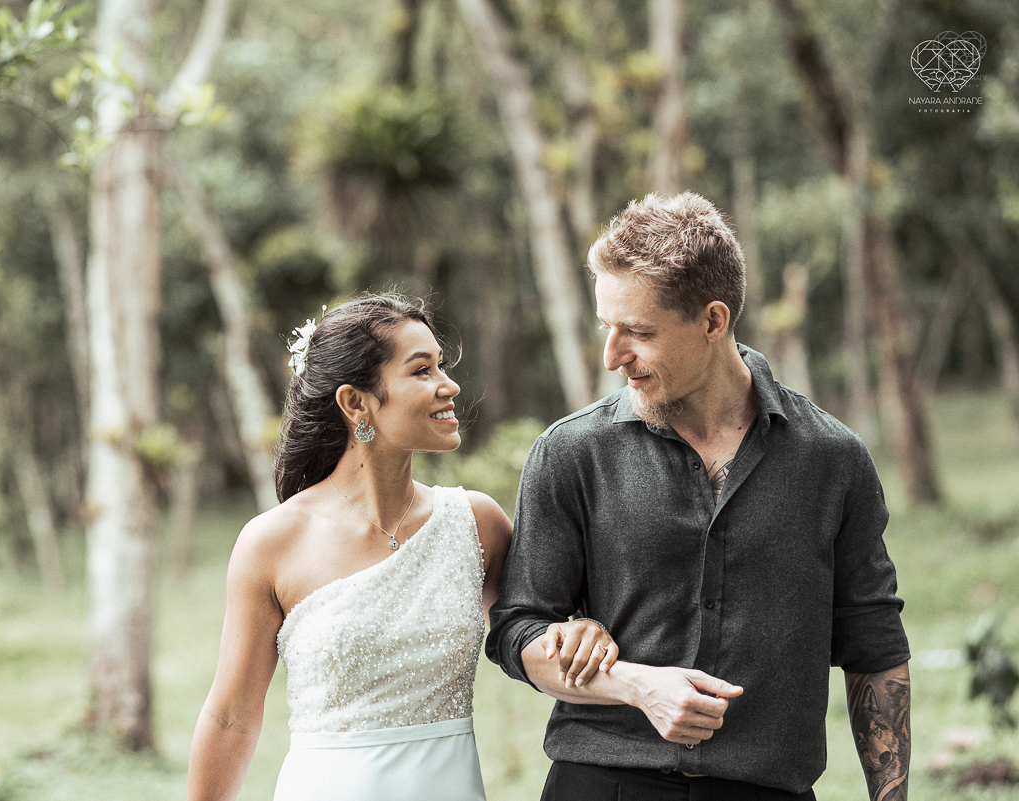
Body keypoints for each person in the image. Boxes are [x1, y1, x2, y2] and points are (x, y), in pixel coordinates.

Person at [486, 193, 912, 801]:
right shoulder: (571, 452)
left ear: (714, 321)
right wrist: (634, 684)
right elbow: (516, 631)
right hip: (601, 783)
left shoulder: (832, 458)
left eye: (638, 332)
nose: (612, 356)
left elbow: (874, 644)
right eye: (607, 327)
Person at [186, 293, 617, 801]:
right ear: (356, 403)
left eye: (442, 365)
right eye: (421, 370)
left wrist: (585, 629)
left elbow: (536, 635)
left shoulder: (475, 523)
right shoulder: (272, 542)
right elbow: (231, 718)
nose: (449, 385)